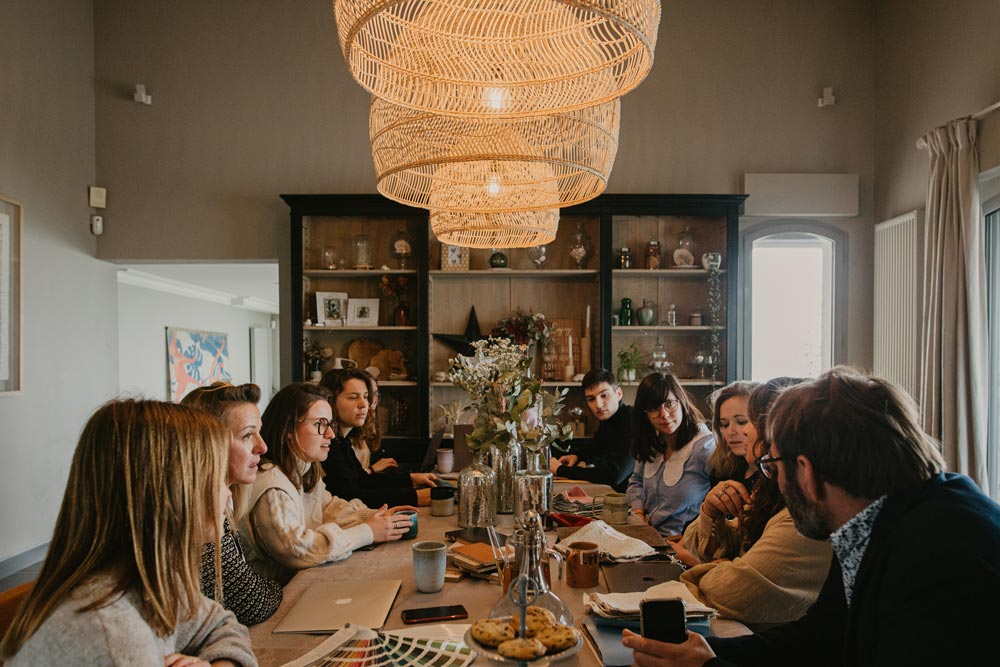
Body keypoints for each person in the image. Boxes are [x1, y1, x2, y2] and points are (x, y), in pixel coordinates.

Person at [623, 367, 1000, 666]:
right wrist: (711, 654)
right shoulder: (876, 521)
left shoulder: (941, 556)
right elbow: (820, 637)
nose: (772, 479)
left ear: (807, 472)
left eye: (774, 465)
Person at [0, 399, 256, 666]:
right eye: (216, 477)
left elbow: (222, 624)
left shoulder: (146, 578)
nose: (227, 492)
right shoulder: (114, 639)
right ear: (171, 495)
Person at [672, 379, 831, 628]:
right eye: (724, 424)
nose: (741, 432)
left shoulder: (806, 513)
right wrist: (710, 511)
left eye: (748, 421)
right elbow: (718, 542)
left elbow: (729, 592)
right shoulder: (768, 486)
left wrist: (712, 568)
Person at [237, 382, 412, 584]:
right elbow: (297, 550)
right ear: (288, 429)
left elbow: (328, 507)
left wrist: (375, 517)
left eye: (330, 425)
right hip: (279, 599)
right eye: (320, 424)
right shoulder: (271, 484)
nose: (330, 434)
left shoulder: (304, 468)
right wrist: (368, 532)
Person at [182, 382, 283, 626]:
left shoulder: (224, 504)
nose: (262, 446)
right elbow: (253, 603)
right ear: (207, 445)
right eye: (248, 435)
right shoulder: (201, 515)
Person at [319, 369, 437, 507]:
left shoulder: (341, 441)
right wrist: (415, 497)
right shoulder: (326, 445)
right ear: (330, 401)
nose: (364, 404)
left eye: (365, 396)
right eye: (353, 397)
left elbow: (362, 480)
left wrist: (410, 479)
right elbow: (351, 496)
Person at [627, 372, 715, 537]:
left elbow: (721, 501)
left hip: (683, 545)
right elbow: (636, 482)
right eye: (654, 408)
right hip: (649, 536)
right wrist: (638, 512)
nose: (664, 415)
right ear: (645, 413)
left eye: (669, 404)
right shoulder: (652, 442)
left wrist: (691, 537)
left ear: (681, 402)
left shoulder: (705, 446)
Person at [548, 368, 635, 492]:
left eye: (604, 395)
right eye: (591, 399)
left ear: (619, 394)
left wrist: (561, 470)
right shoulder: (610, 419)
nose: (598, 405)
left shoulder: (631, 420)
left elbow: (614, 475)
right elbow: (596, 447)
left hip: (639, 503)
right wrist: (577, 457)